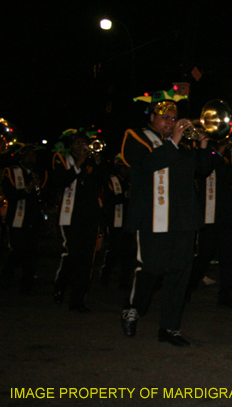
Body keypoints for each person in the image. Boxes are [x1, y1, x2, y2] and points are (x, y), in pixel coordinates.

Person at [120, 89, 214, 346]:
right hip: (152, 217)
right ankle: (133, 308)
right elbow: (147, 165)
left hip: (182, 219)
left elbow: (203, 170)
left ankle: (170, 327)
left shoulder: (182, 147)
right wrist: (173, 140)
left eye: (174, 117)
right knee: (150, 269)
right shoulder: (136, 137)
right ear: (151, 118)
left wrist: (203, 144)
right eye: (165, 117)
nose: (171, 121)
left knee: (179, 273)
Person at [51, 129, 108, 312]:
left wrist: (97, 161)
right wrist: (79, 163)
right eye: (77, 144)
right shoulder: (61, 159)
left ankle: (78, 300)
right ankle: (60, 286)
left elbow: (105, 180)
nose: (82, 147)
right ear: (71, 146)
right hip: (70, 217)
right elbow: (61, 181)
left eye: (85, 143)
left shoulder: (93, 161)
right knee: (72, 255)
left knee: (87, 260)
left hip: (90, 217)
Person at [189, 139, 232, 308]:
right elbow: (205, 169)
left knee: (227, 256)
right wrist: (220, 151)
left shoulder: (224, 159)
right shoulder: (205, 156)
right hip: (208, 213)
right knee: (205, 254)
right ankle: (189, 286)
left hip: (225, 214)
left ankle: (225, 294)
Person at [0, 143, 47, 294]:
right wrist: (26, 189)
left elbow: (44, 195)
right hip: (17, 218)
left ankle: (26, 284)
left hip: (33, 219)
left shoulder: (39, 172)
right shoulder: (12, 171)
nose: (31, 158)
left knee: (32, 253)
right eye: (28, 155)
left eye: (33, 155)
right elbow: (10, 193)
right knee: (17, 251)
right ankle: (6, 278)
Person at [99, 154, 136, 290]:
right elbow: (110, 198)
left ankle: (124, 282)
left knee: (128, 253)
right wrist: (126, 194)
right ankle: (105, 276)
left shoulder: (132, 179)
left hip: (129, 221)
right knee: (113, 250)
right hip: (115, 220)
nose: (125, 169)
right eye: (123, 166)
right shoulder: (111, 180)